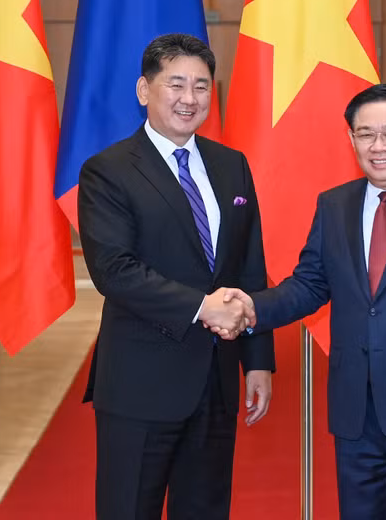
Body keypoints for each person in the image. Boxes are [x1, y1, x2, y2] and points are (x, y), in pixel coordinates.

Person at [212, 84, 386, 519]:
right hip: (354, 417)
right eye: (365, 134)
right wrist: (250, 308)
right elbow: (309, 285)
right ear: (351, 139)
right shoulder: (334, 205)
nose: (378, 146)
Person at [77, 33, 274, 520]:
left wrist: (258, 360)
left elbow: (250, 266)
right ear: (145, 90)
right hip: (141, 383)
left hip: (216, 381)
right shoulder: (108, 171)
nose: (190, 99)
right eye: (176, 84)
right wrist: (203, 306)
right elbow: (114, 270)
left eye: (202, 87)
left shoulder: (232, 167)